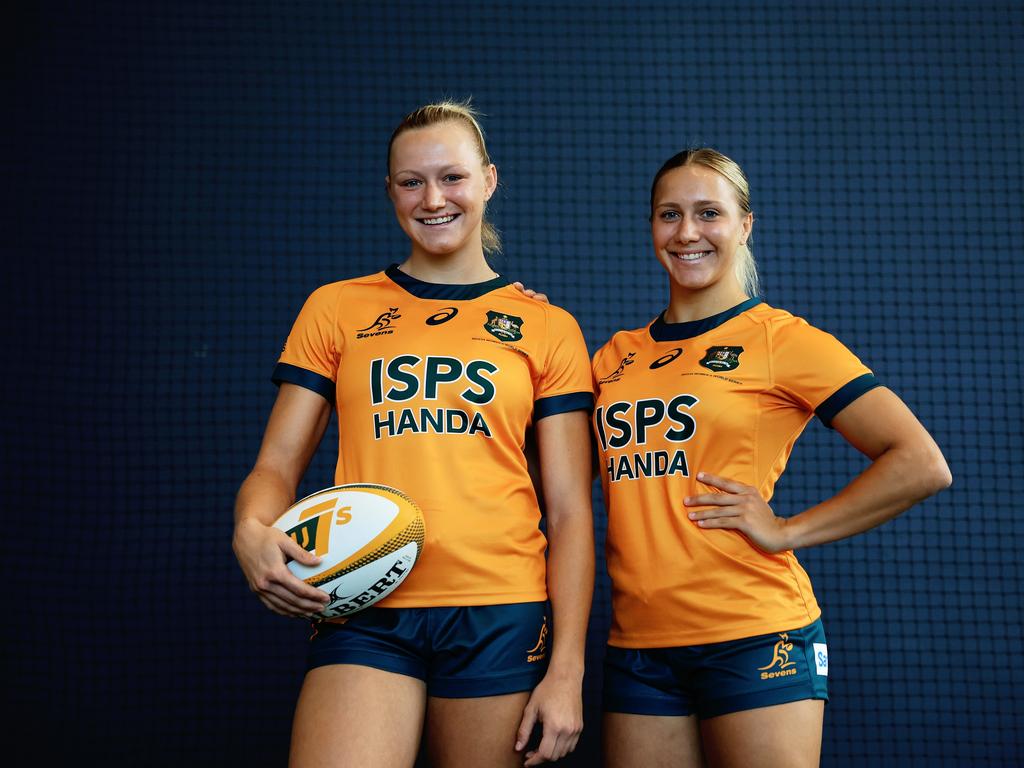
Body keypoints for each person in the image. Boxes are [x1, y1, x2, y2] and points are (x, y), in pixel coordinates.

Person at [233, 100, 595, 768]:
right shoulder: (336, 307)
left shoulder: (548, 327)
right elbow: (277, 463)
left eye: (452, 177)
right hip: (363, 599)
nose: (433, 199)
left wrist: (567, 669)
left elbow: (571, 510)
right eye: (411, 182)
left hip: (500, 606)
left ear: (489, 180)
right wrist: (251, 528)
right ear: (391, 191)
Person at [592, 148, 952, 768]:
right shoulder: (614, 357)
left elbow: (920, 462)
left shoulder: (780, 339)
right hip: (640, 645)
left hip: (756, 634)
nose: (687, 233)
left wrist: (787, 531)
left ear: (745, 223)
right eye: (668, 215)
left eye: (709, 213)